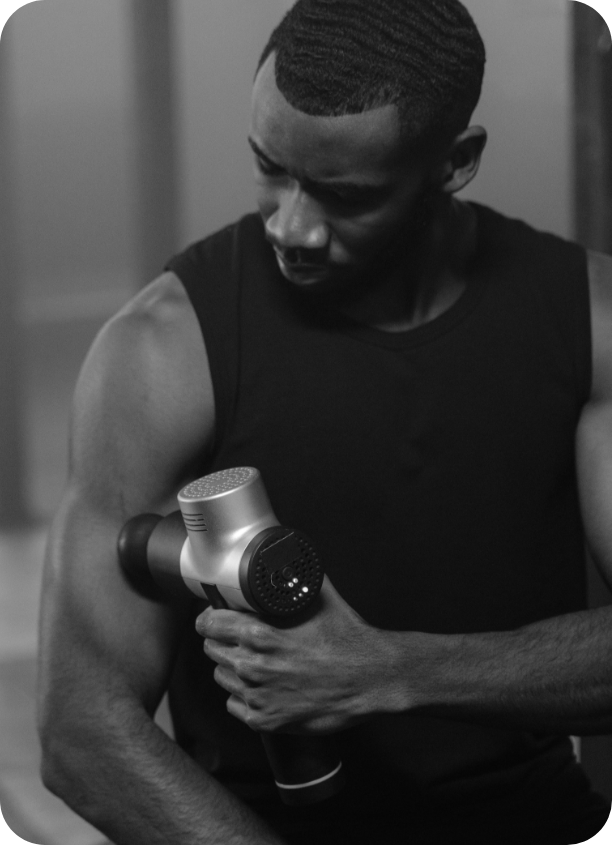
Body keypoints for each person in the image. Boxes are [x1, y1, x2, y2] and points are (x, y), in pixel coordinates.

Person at [37, 1, 612, 843]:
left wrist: (390, 671)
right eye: (270, 167)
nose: (292, 225)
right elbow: (83, 730)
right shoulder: (164, 349)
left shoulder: (591, 323)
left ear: (455, 162)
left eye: (344, 196)